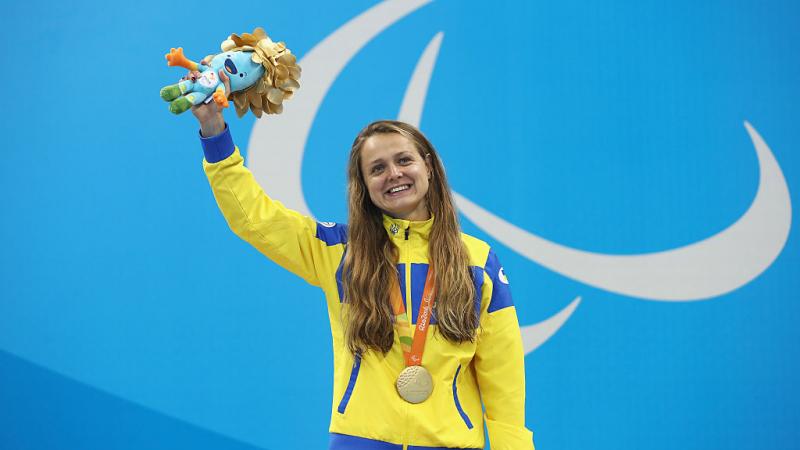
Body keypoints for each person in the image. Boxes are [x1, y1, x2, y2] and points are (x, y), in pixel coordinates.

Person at [192, 68, 535, 450]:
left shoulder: (478, 261)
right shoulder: (338, 251)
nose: (394, 174)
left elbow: (504, 376)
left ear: (428, 167)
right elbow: (253, 216)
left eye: (404, 160)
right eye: (377, 169)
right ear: (365, 186)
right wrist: (213, 130)